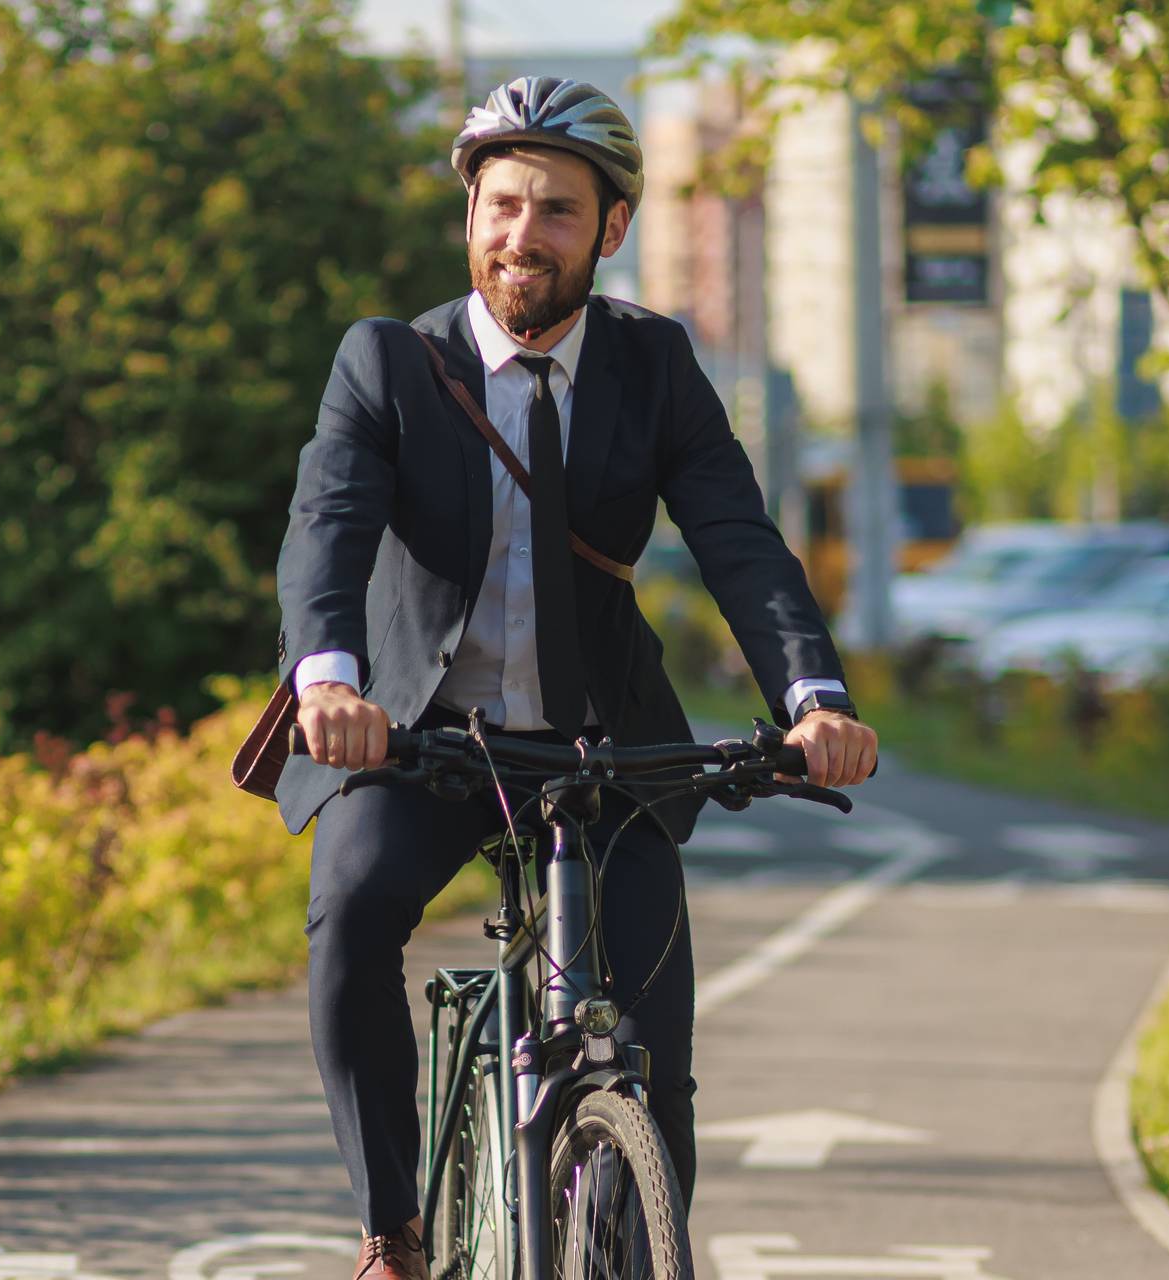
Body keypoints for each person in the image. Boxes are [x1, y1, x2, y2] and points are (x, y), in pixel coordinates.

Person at [275, 78, 878, 1275]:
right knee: (349, 917)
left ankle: (637, 1248)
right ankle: (389, 1223)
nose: (519, 235)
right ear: (468, 216)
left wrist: (813, 696)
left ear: (609, 229)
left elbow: (737, 540)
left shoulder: (653, 364)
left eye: (554, 210)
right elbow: (326, 524)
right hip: (420, 741)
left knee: (652, 1050)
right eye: (500, 205)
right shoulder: (390, 363)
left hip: (602, 749)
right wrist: (329, 678)